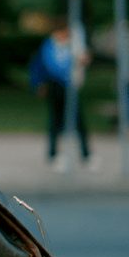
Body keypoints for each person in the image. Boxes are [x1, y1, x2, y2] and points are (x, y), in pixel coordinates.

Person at [30, 21, 94, 171]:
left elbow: (79, 63)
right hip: (56, 86)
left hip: (69, 87)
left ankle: (86, 154)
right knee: (55, 120)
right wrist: (38, 84)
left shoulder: (71, 46)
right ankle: (53, 154)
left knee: (78, 120)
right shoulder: (49, 46)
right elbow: (43, 66)